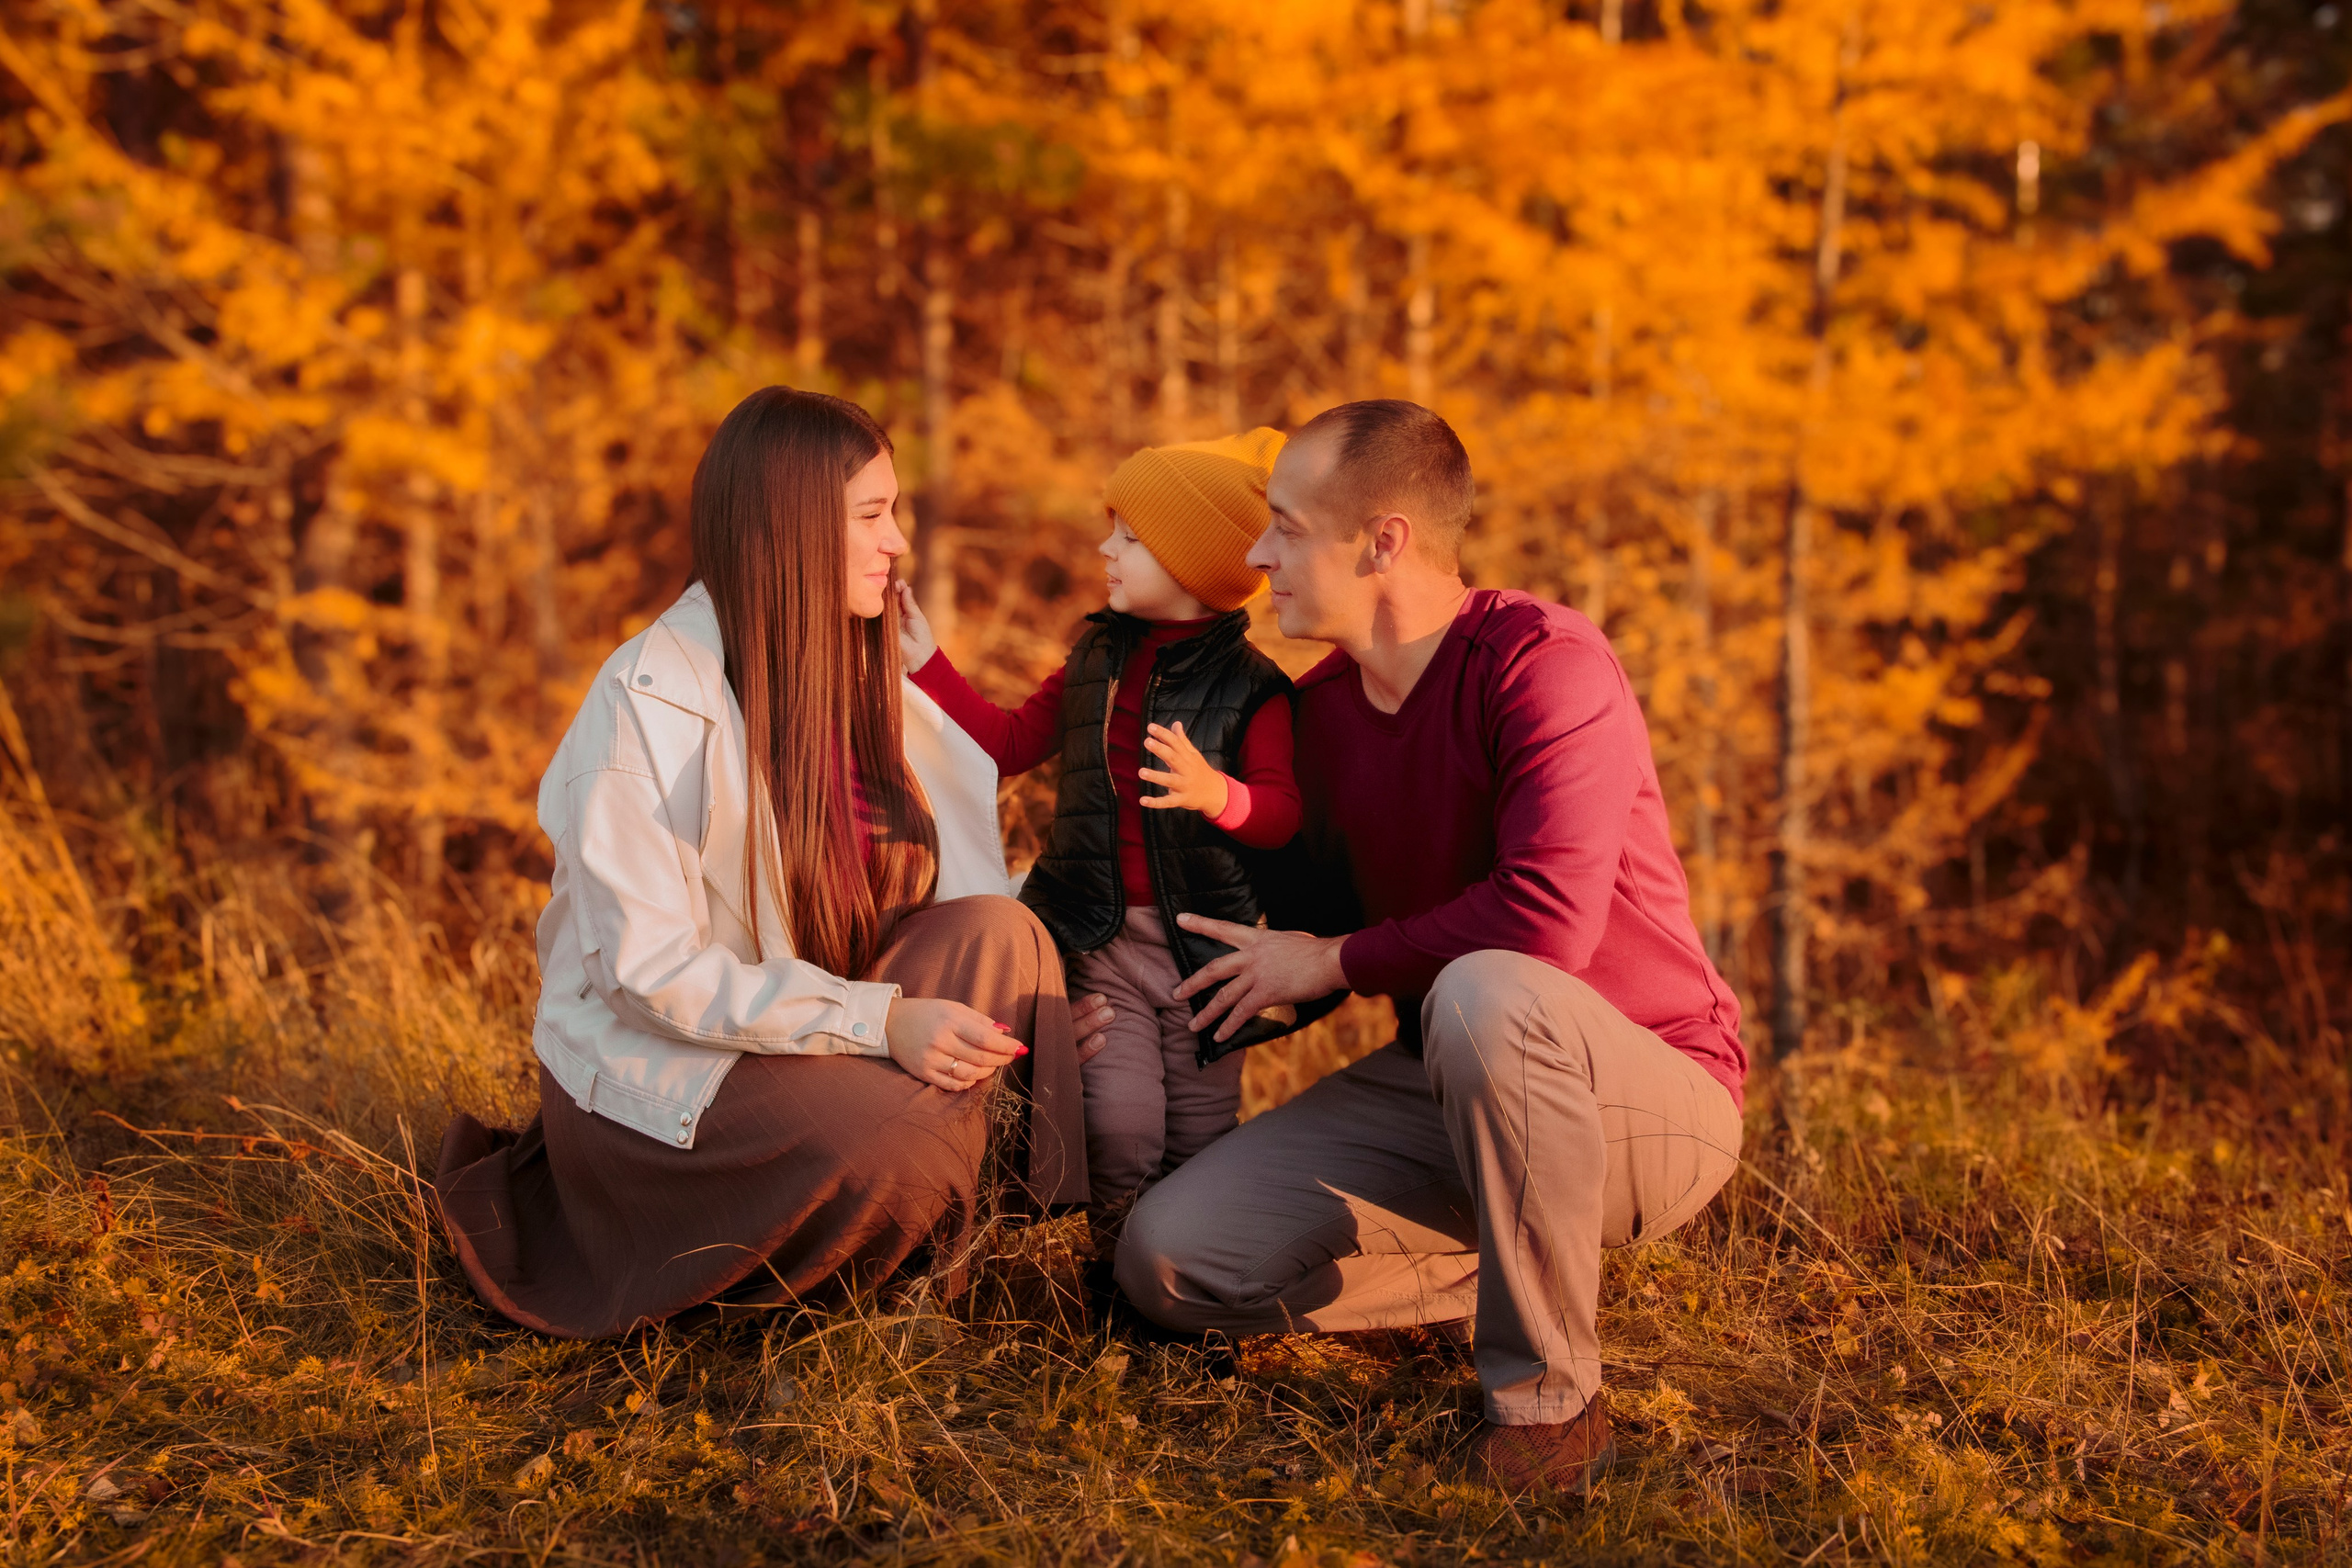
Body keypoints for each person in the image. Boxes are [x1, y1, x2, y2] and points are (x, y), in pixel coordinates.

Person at [1112, 400, 1749, 1493]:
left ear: (1382, 542)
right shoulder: (1316, 715)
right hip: (1451, 1086)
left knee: (1487, 990)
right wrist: (1122, 964)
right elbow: (1297, 936)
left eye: (1285, 527)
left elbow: (1545, 921)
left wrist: (1331, 961)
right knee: (1172, 1261)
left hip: (1651, 1099)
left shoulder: (1543, 661)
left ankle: (1549, 1407)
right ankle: (1509, 1270)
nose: (1258, 556)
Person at [434, 388, 1108, 1338]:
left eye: (895, 512)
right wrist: (880, 1022)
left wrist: (1036, 1009)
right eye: (872, 515)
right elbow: (649, 976)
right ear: (790, 525)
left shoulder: (861, 668)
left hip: (820, 1026)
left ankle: (975, 1244)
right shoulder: (645, 700)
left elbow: (950, 889)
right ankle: (884, 1270)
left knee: (1008, 937)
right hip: (688, 1072)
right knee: (899, 1144)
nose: (897, 542)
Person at [895, 429, 1325, 1246]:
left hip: (1206, 960)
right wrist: (928, 664)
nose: (1106, 550)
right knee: (1122, 1128)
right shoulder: (1095, 657)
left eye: (1129, 537)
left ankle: (1190, 1278)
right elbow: (1012, 742)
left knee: (1201, 1137)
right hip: (1103, 939)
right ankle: (1116, 1269)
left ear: (1192, 565)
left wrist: (1218, 795)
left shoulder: (1254, 688)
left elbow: (1281, 814)